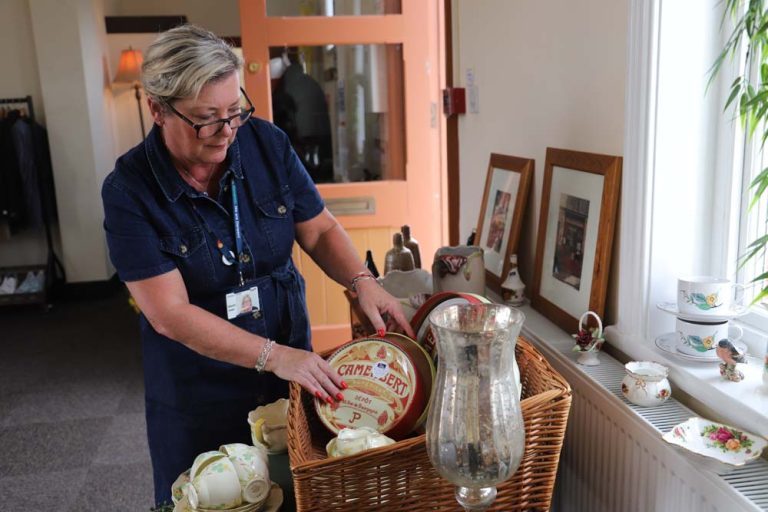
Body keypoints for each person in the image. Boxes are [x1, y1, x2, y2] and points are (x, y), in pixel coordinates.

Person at [101, 24, 413, 506]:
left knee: (294, 491)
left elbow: (321, 229)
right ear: (157, 110)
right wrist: (276, 356)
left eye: (234, 112)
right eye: (207, 119)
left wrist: (362, 280)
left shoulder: (266, 144)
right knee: (211, 499)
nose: (227, 131)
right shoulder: (128, 192)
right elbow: (169, 314)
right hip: (199, 390)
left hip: (289, 369)